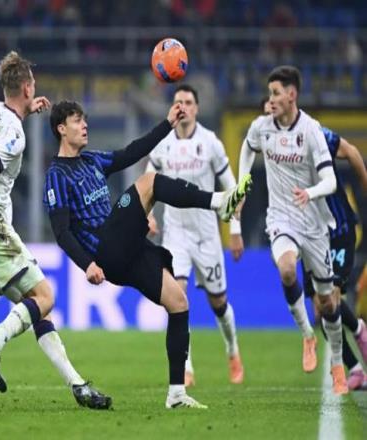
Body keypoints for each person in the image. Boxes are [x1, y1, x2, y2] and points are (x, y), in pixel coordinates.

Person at [43, 100, 252, 409]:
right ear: (61, 129)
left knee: (178, 303)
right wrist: (87, 265)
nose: (84, 125)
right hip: (105, 249)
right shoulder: (57, 175)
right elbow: (62, 233)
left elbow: (132, 152)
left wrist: (167, 124)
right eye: (77, 121)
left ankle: (176, 394)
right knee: (150, 182)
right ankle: (219, 203)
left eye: (84, 119)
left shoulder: (92, 160)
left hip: (127, 249)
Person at [0, 51, 111, 410]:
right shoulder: (14, 134)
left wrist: (27, 105)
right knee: (46, 296)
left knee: (38, 307)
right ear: (27, 88)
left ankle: (78, 386)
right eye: (33, 86)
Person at [238, 65, 347, 394]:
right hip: (281, 218)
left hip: (314, 224)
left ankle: (338, 362)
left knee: (328, 303)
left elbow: (330, 180)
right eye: (269, 93)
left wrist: (310, 193)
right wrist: (243, 182)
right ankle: (307, 336)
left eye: (275, 93)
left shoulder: (311, 130)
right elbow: (248, 146)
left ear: (292, 95)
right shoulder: (262, 127)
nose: (270, 99)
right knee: (287, 270)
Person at [261, 96, 367, 390]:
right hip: (308, 233)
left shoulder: (313, 133)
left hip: (338, 228)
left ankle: (359, 331)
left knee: (330, 297)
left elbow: (350, 151)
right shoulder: (268, 141)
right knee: (321, 309)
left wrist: (365, 184)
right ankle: (355, 368)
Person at [146, 84, 244, 387]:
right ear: (173, 108)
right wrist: (148, 214)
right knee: (177, 297)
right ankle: (186, 365)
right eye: (178, 102)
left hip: (206, 235)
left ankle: (232, 349)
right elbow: (147, 182)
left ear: (197, 108)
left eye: (188, 102)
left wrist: (235, 230)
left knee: (219, 302)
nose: (184, 107)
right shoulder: (162, 145)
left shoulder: (210, 142)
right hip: (175, 234)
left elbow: (233, 190)